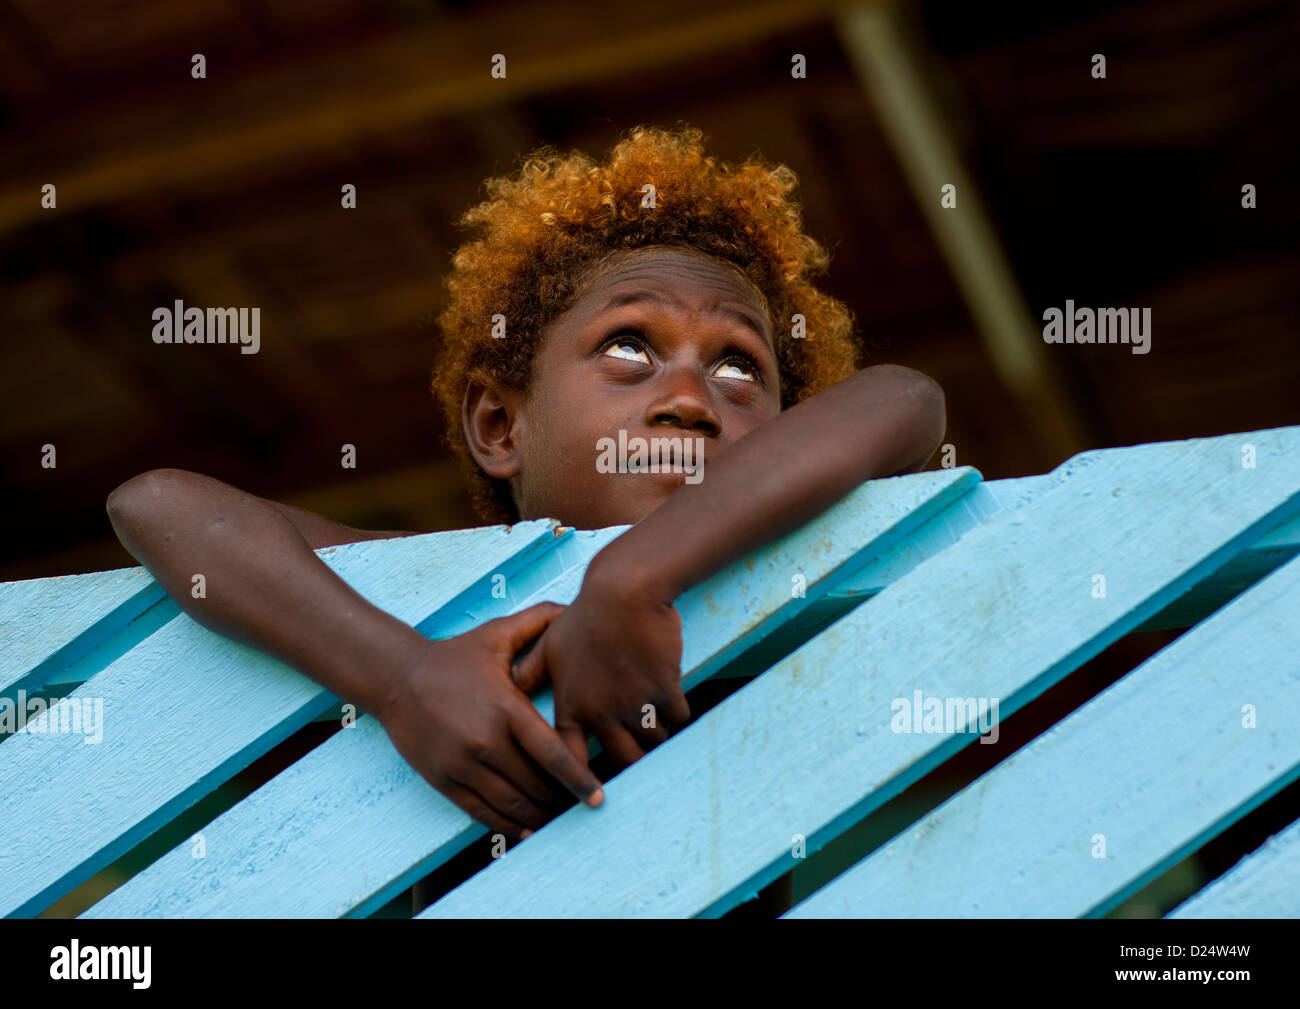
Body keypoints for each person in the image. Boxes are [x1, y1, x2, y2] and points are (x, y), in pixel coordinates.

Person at [106, 124, 946, 915]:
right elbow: (157, 503)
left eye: (738, 366)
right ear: (501, 428)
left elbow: (905, 399)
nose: (691, 398)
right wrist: (402, 678)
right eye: (629, 347)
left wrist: (633, 578)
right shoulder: (432, 609)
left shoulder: (785, 578)